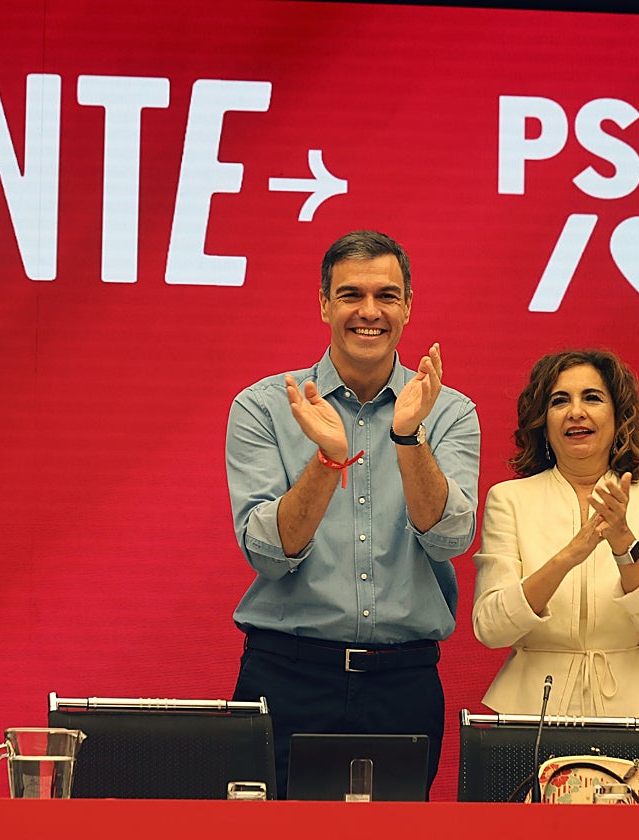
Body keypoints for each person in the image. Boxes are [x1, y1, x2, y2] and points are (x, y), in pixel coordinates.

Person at [226, 230, 480, 798]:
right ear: (323, 304)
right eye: (350, 295)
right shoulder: (265, 406)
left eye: (387, 296)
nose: (370, 312)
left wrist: (409, 437)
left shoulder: (450, 411)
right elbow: (268, 554)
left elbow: (450, 540)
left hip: (404, 682)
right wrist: (327, 460)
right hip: (287, 675)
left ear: (408, 306)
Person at [472, 349, 639, 718]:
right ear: (544, 420)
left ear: (618, 416)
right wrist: (568, 557)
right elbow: (491, 628)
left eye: (592, 398)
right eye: (560, 401)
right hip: (530, 709)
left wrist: (623, 542)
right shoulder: (509, 499)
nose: (576, 412)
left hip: (633, 707)